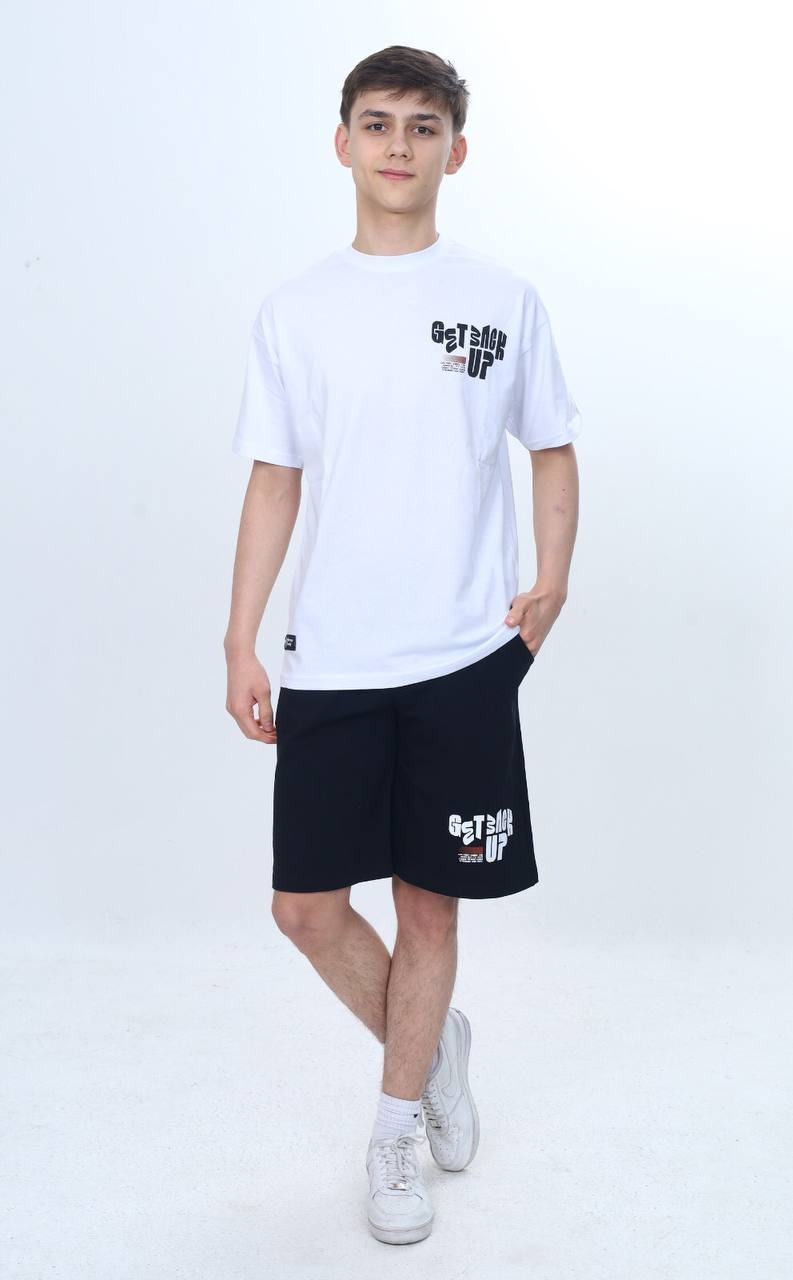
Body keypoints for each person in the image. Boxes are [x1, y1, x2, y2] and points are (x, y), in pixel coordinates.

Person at [224, 44, 582, 1246]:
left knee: (430, 907)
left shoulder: (502, 298)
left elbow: (551, 446)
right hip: (331, 658)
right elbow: (274, 479)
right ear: (343, 143)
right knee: (304, 907)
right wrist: (239, 638)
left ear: (454, 152)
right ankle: (434, 1045)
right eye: (377, 123)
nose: (397, 144)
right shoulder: (296, 310)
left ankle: (393, 1129)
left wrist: (553, 580)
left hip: (462, 659)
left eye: (422, 126)